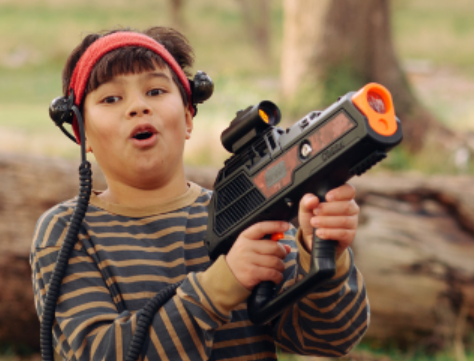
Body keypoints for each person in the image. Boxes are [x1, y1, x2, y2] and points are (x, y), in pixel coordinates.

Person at [31, 27, 369, 360]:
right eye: (111, 98)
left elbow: (330, 339)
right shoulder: (67, 233)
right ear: (82, 133)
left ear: (188, 116)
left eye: (156, 91)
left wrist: (323, 254)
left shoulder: (247, 214)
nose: (137, 107)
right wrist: (218, 288)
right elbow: (95, 353)